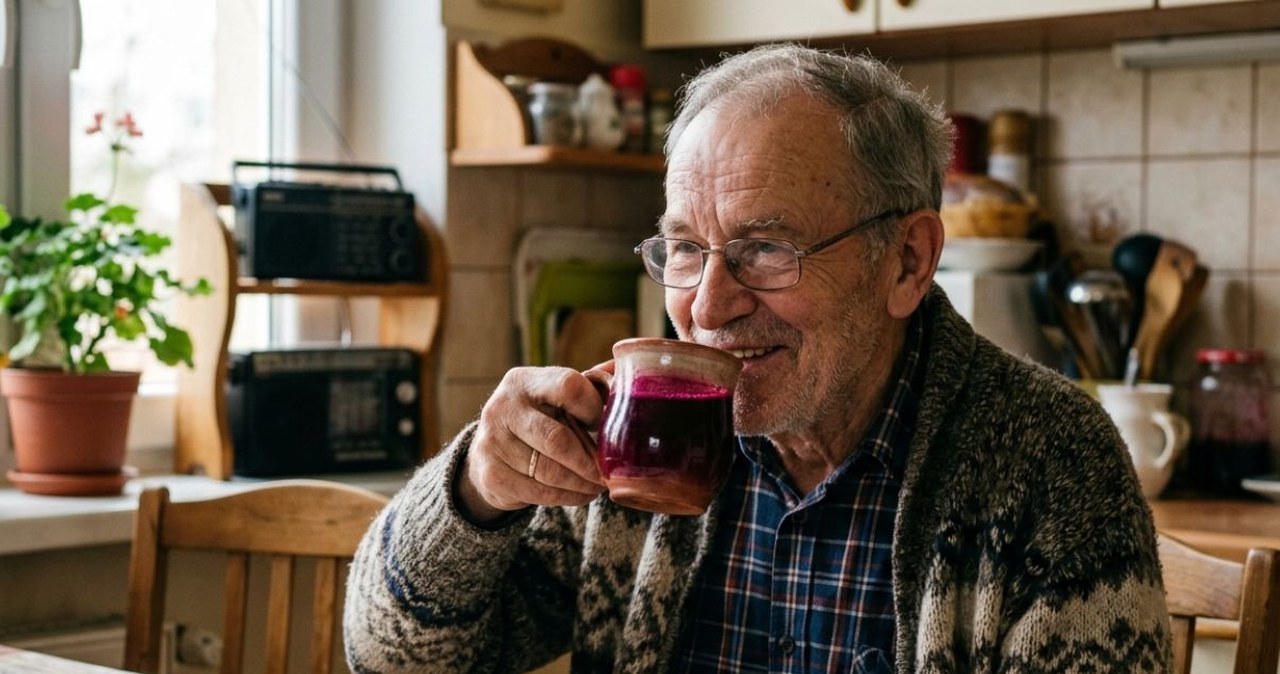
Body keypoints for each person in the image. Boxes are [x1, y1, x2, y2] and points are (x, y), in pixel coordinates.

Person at [344, 43, 1172, 673]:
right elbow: (388, 658)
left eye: (766, 250)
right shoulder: (633, 445)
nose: (706, 307)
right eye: (683, 249)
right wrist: (476, 493)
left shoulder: (1048, 461)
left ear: (907, 262)